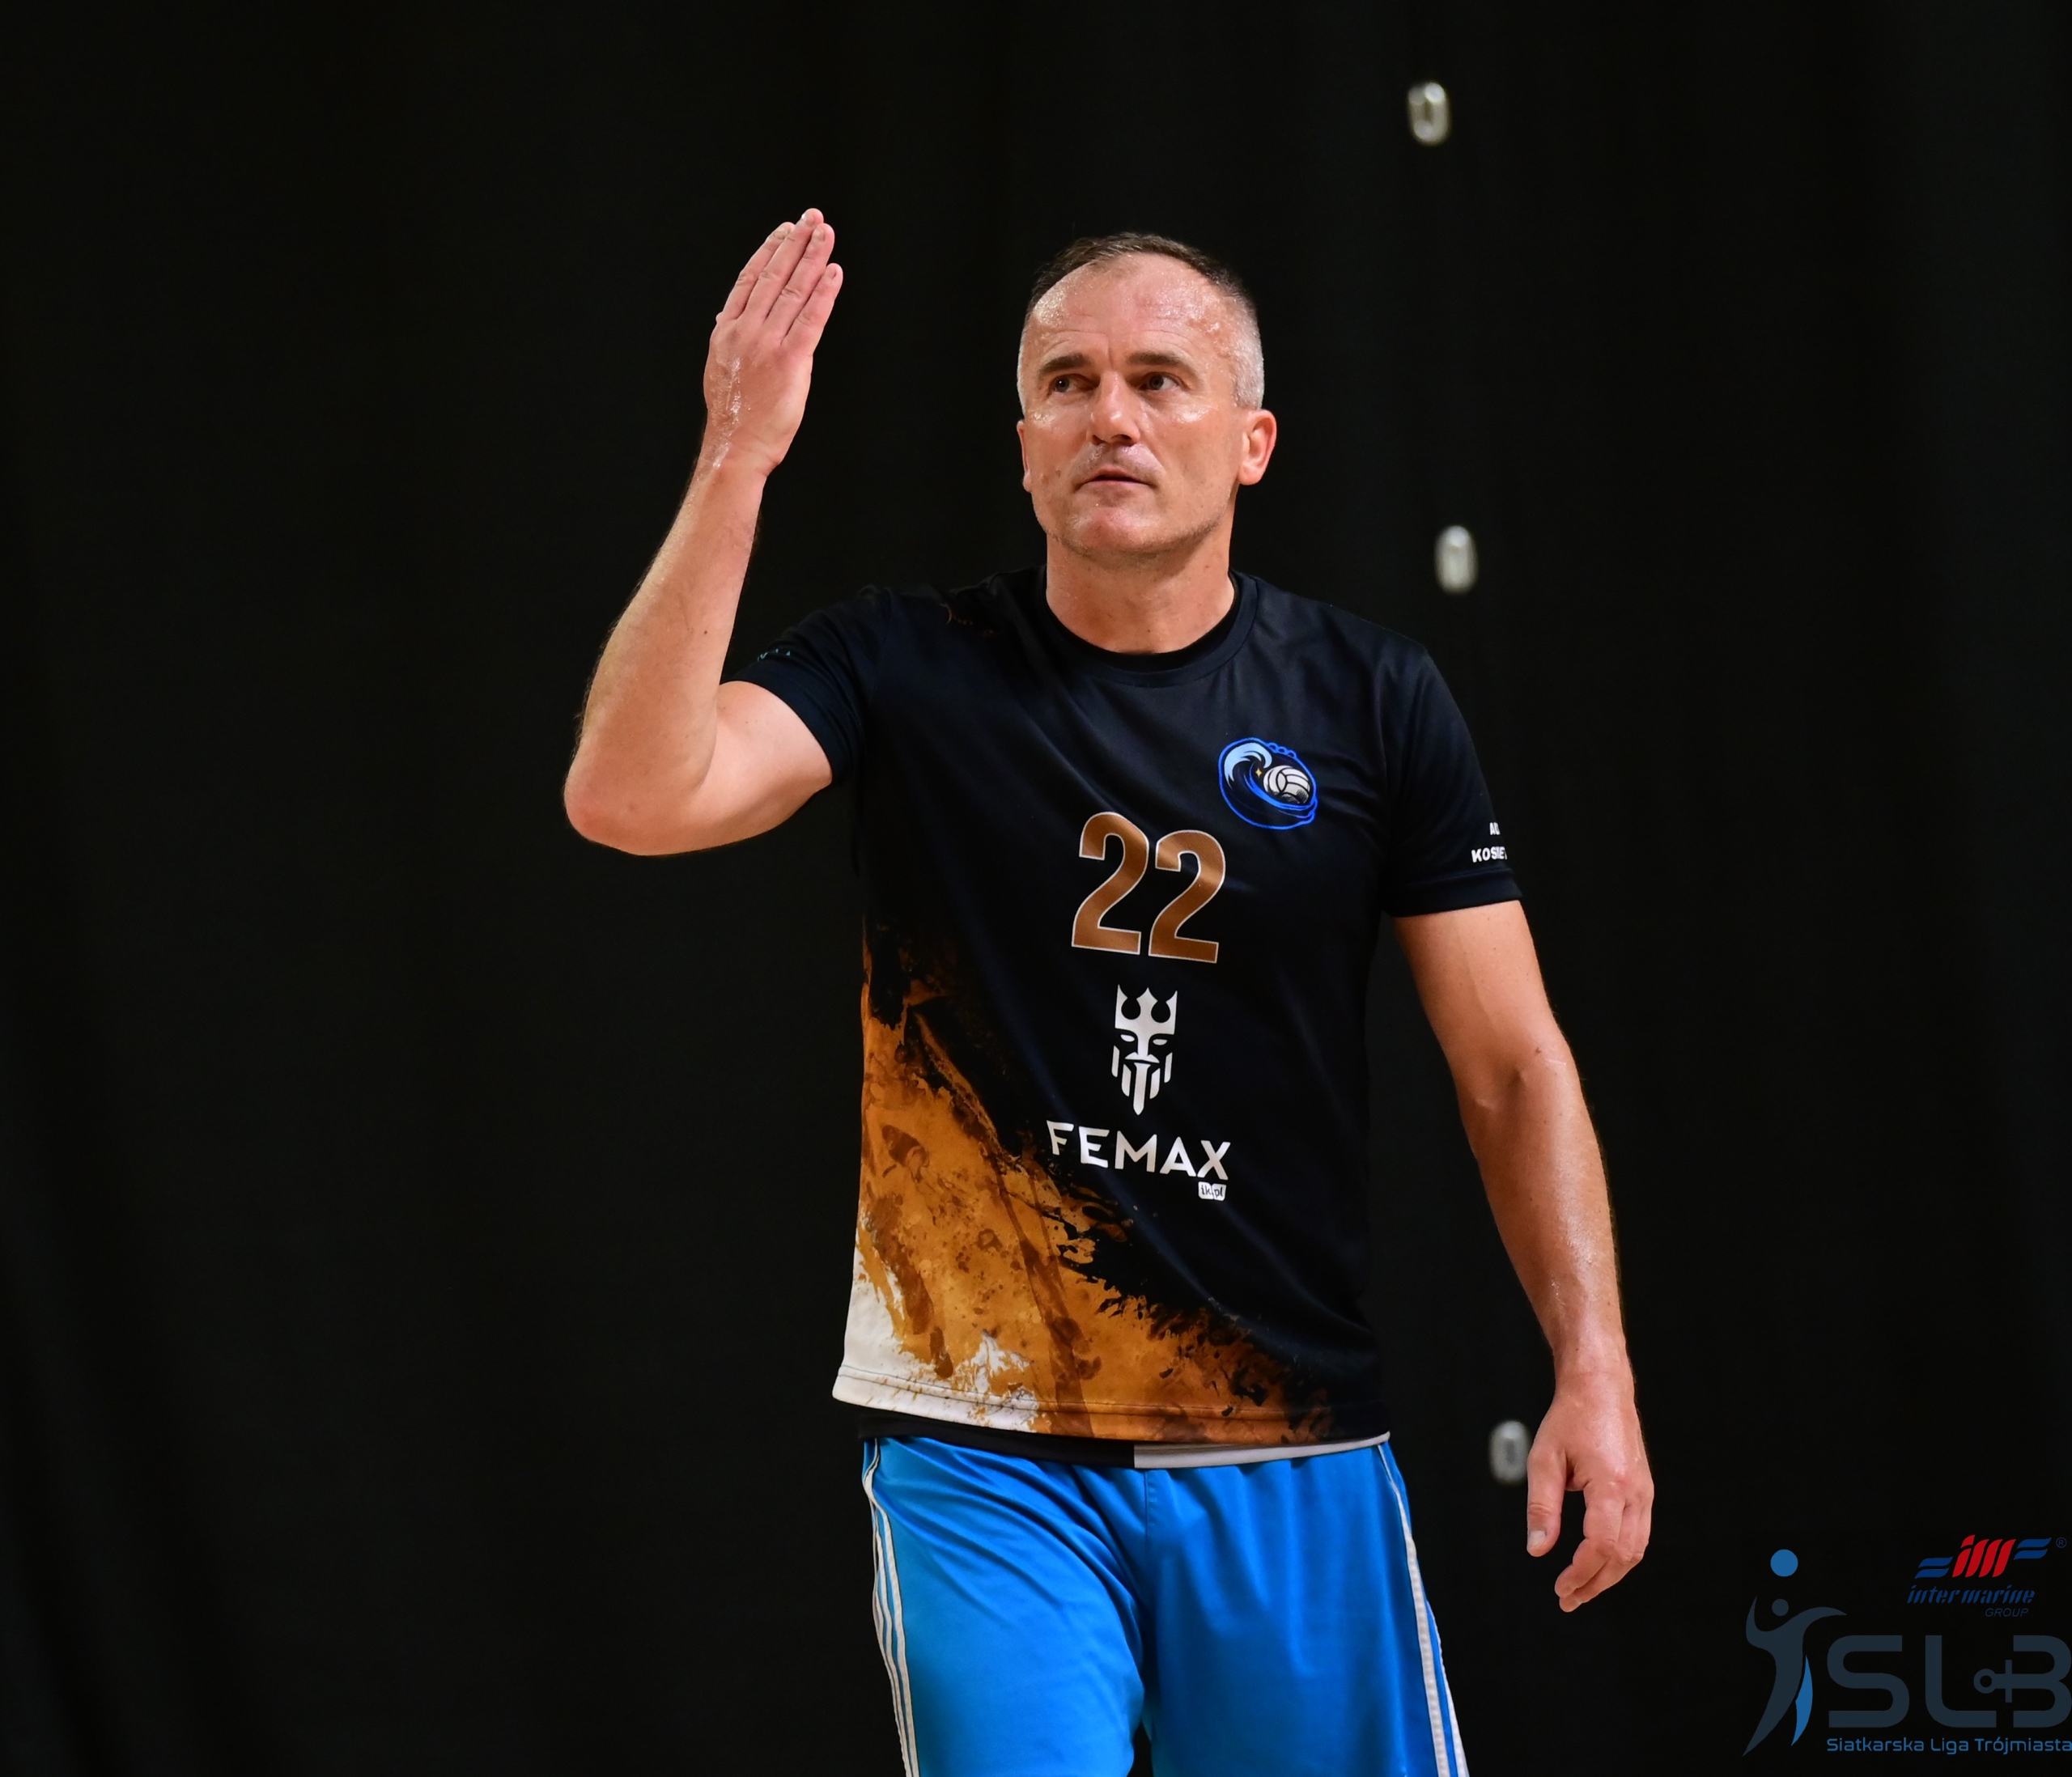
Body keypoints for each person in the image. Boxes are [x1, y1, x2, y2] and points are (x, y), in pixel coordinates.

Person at [564, 208, 1653, 1777]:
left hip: (1282, 1433)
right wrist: (738, 453)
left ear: (1253, 443)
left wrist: (1593, 1367)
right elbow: (628, 795)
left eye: (1159, 379)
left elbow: (1510, 1067)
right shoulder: (903, 662)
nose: (1111, 418)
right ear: (1023, 448)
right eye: (1066, 384)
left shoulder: (1370, 699)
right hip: (984, 1439)